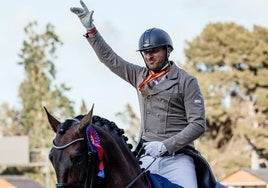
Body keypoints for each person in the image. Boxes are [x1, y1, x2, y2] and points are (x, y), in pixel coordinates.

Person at [70, 1, 206, 187]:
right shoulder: (139, 75)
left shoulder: (186, 81)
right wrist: (91, 30)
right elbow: (110, 59)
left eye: (154, 51)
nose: (149, 56)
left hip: (177, 158)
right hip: (146, 154)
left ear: (168, 50)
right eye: (145, 53)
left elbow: (198, 124)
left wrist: (166, 146)